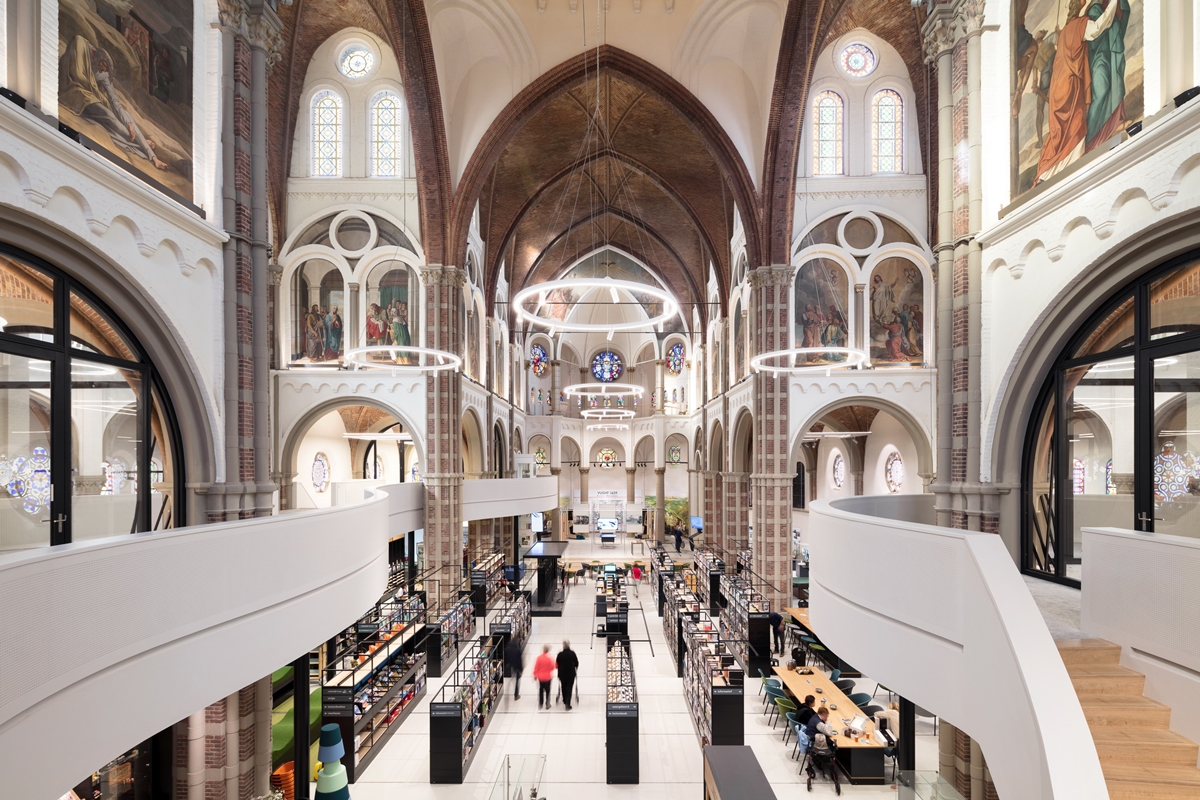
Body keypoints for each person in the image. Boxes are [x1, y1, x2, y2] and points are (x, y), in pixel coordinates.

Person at [555, 640, 580, 710]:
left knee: (563, 686)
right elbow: (577, 663)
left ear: (563, 646)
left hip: (562, 673)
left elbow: (557, 664)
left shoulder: (560, 654)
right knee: (569, 687)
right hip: (570, 674)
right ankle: (568, 704)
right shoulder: (572, 653)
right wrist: (575, 667)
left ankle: (564, 699)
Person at [533, 644, 555, 709]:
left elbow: (536, 667)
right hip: (548, 677)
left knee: (541, 690)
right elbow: (552, 667)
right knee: (548, 690)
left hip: (541, 677)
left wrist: (535, 675)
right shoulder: (550, 658)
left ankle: (540, 703)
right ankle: (547, 704)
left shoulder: (539, 658)